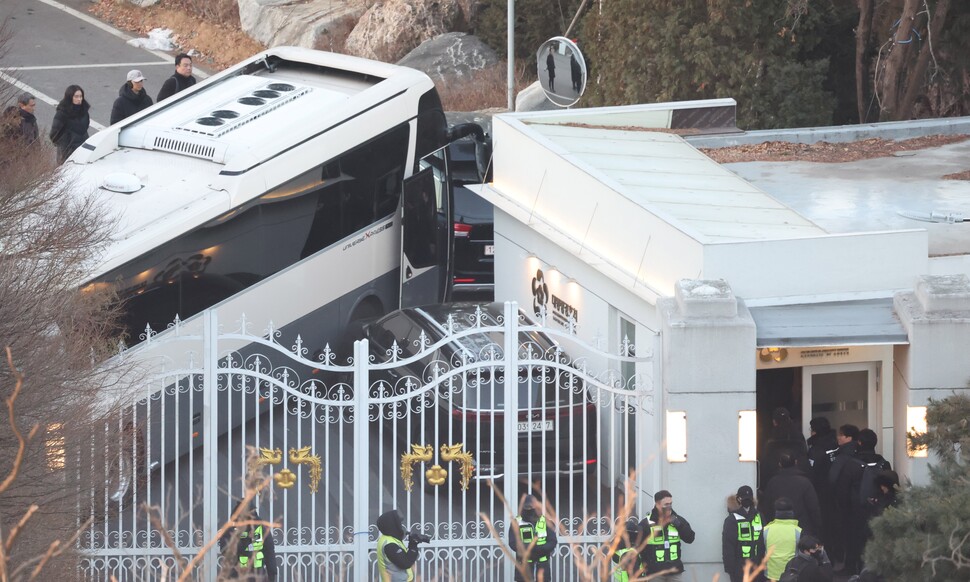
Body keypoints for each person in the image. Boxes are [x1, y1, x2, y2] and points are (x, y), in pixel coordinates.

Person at [841, 428, 891, 576]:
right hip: (878, 513)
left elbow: (842, 491)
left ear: (859, 443)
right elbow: (891, 489)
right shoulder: (884, 464)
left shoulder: (851, 465)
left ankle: (853, 574)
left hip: (855, 513)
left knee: (855, 546)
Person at [638, 490, 695, 581]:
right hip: (655, 573)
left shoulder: (677, 520)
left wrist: (677, 524)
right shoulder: (646, 523)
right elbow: (637, 546)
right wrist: (648, 564)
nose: (669, 507)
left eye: (671, 504)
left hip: (675, 572)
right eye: (666, 504)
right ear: (657, 504)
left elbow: (690, 538)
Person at [762, 452, 822, 537]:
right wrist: (817, 528)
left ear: (779, 464)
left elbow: (766, 508)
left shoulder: (772, 482)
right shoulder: (805, 483)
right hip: (802, 530)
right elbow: (813, 507)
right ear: (796, 462)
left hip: (778, 530)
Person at [827, 423, 859, 568]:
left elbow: (832, 478)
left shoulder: (842, 456)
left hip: (842, 501)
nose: (838, 437)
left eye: (842, 434)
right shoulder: (858, 452)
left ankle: (845, 565)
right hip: (857, 501)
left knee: (844, 533)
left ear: (849, 437)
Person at [219, 501, 277, 581]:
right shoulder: (231, 531)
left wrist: (272, 575)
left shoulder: (261, 529)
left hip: (257, 576)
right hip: (238, 576)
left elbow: (269, 552)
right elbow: (225, 550)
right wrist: (244, 540)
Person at [722, 485, 766, 582]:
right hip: (739, 567)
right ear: (738, 499)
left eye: (749, 498)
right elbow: (728, 546)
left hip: (758, 566)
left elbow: (764, 541)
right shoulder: (732, 519)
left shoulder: (759, 516)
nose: (747, 501)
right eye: (744, 498)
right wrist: (730, 569)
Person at [509, 495, 558, 582]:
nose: (530, 509)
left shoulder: (546, 521)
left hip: (542, 565)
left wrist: (539, 549)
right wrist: (528, 548)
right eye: (527, 507)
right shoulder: (516, 522)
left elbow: (553, 541)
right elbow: (513, 543)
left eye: (532, 506)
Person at [806, 417, 838, 548]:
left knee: (822, 524)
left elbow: (812, 471)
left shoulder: (816, 450)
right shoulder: (835, 444)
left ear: (815, 431)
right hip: (836, 490)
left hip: (821, 492)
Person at [761, 407, 809, 489]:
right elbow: (804, 455)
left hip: (775, 480)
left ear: (774, 422)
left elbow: (765, 462)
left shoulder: (770, 438)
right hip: (797, 479)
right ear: (789, 419)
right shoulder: (798, 436)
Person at [376, 508, 427, 581]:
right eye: (398, 523)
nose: (400, 525)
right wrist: (413, 545)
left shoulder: (387, 538)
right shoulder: (389, 545)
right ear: (392, 525)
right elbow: (406, 563)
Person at [49, 85, 91, 163]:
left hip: (82, 148)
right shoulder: (62, 113)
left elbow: (85, 126)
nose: (79, 99)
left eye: (81, 96)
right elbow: (54, 133)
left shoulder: (84, 111)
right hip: (67, 151)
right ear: (70, 97)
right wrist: (63, 143)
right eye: (76, 96)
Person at [763, 497, 801, 582]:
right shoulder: (797, 531)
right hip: (790, 575)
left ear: (776, 512)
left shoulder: (766, 530)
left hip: (770, 575)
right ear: (791, 512)